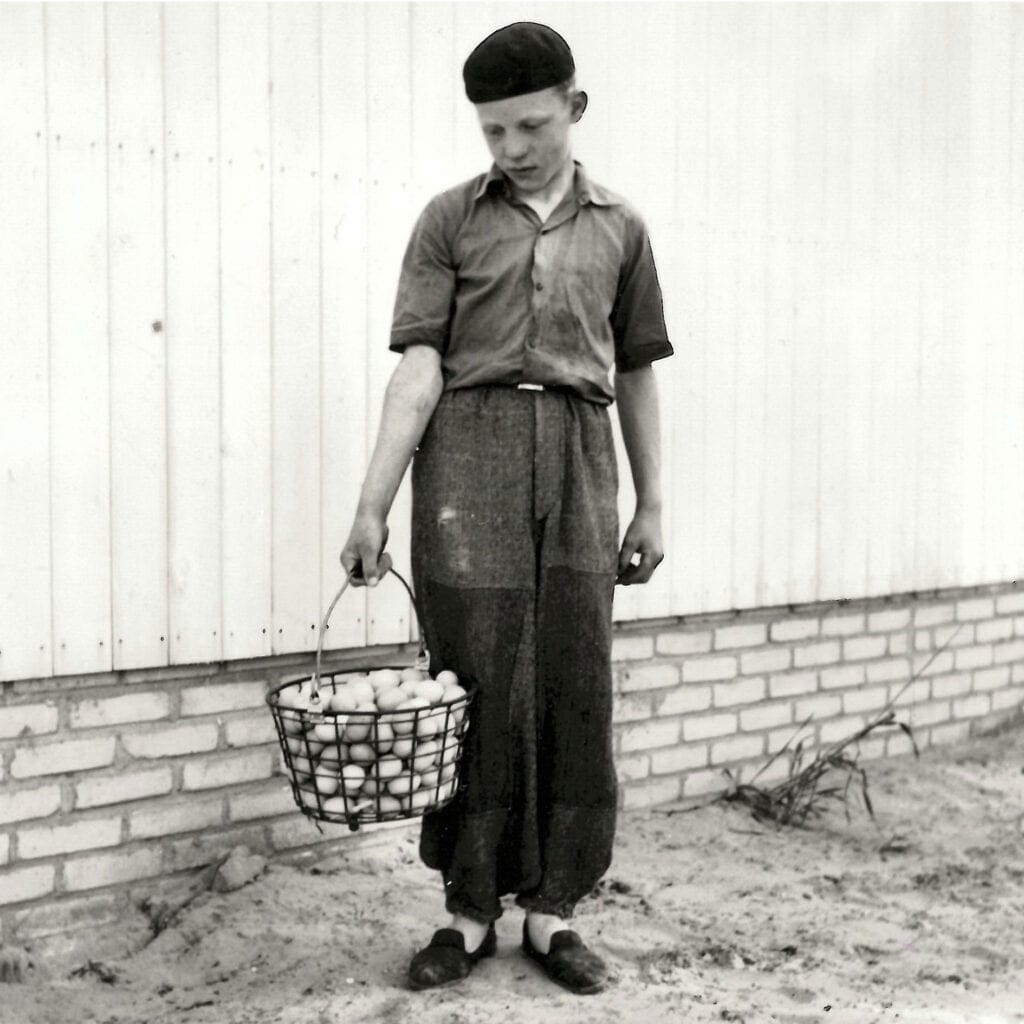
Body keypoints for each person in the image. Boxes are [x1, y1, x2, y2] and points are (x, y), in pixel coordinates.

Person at [340, 21, 672, 995]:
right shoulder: (449, 220)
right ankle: (468, 911)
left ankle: (553, 912)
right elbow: (417, 371)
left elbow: (639, 370)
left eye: (529, 125)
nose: (512, 148)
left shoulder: (621, 226)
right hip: (467, 459)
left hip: (578, 451)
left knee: (574, 671)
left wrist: (651, 501)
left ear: (573, 107)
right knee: (472, 678)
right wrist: (371, 505)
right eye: (492, 132)